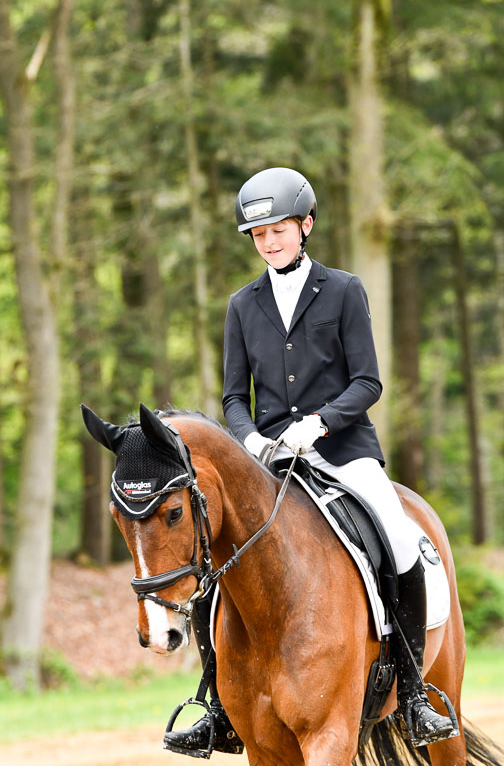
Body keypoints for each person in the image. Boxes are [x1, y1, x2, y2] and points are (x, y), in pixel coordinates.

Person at [164, 167, 458, 756]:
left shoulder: (344, 290)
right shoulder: (242, 305)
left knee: (402, 544)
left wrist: (321, 422)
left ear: (306, 225)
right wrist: (248, 440)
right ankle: (217, 705)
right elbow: (232, 398)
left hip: (343, 452)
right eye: (258, 234)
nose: (269, 242)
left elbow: (368, 381)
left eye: (279, 230)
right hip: (270, 463)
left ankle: (416, 690)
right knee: (215, 570)